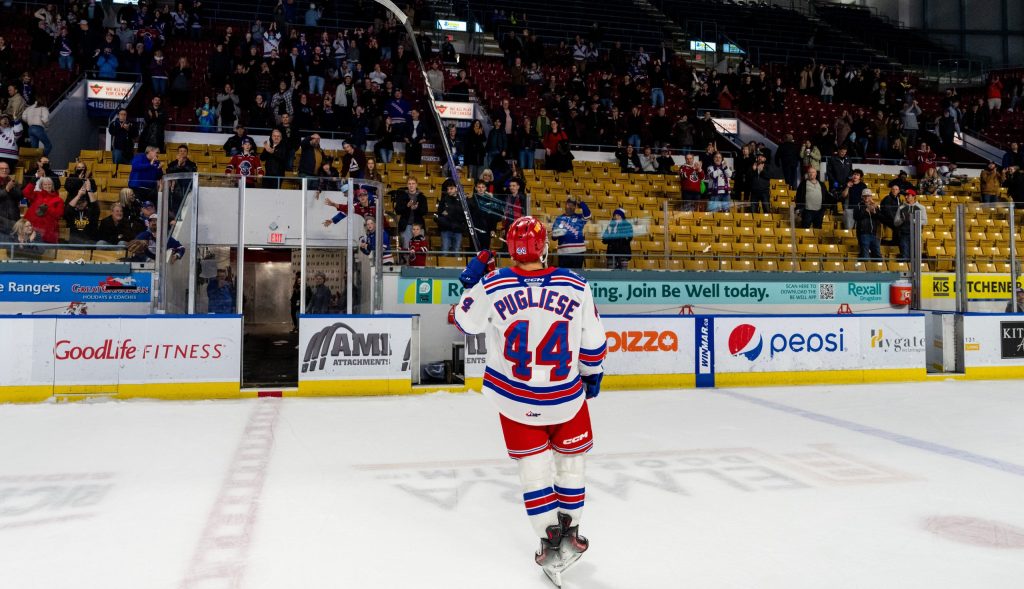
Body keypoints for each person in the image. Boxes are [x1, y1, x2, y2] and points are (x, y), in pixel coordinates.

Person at [452, 216, 606, 586]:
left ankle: (549, 538)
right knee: (571, 468)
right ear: (544, 247)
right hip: (566, 396)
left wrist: (472, 282)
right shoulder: (575, 284)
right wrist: (591, 372)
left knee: (533, 473)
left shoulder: (494, 283)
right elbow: (594, 343)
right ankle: (571, 533)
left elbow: (464, 322)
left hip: (515, 399)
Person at [551, 196, 591, 269]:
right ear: (565, 205)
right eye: (569, 204)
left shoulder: (579, 217)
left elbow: (588, 215)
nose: (570, 207)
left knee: (577, 274)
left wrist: (581, 203)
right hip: (564, 252)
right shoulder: (559, 218)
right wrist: (558, 233)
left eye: (573, 205)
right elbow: (553, 237)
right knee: (564, 275)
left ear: (575, 207)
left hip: (578, 251)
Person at [22, 176, 63, 244]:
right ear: (41, 186)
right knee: (28, 250)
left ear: (52, 186)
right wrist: (32, 182)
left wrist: (48, 209)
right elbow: (26, 192)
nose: (47, 186)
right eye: (45, 184)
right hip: (32, 228)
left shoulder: (58, 199)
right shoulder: (36, 194)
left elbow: (59, 214)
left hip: (47, 230)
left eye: (49, 184)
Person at [64, 173, 100, 244]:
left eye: (83, 202)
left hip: (89, 242)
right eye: (78, 202)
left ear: (87, 203)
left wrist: (89, 190)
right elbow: (68, 208)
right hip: (75, 242)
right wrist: (78, 195)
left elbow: (95, 206)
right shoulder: (72, 213)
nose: (80, 204)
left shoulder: (91, 212)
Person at [394, 177, 428, 251]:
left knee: (419, 249)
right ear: (407, 185)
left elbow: (425, 212)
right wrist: (407, 206)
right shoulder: (402, 196)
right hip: (406, 226)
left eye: (413, 183)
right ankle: (407, 262)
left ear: (416, 185)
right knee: (406, 248)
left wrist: (417, 208)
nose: (411, 185)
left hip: (419, 226)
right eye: (409, 184)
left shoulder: (422, 197)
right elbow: (397, 211)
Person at [436, 179, 468, 255]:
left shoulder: (463, 200)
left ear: (456, 188)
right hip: (446, 230)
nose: (449, 191)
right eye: (448, 189)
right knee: (444, 251)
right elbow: (439, 214)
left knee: (456, 252)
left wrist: (448, 214)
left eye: (451, 188)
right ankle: (443, 267)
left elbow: (463, 215)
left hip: (458, 230)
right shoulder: (444, 200)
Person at [893, 190, 927, 262]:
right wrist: (902, 219)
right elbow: (896, 222)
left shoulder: (921, 207)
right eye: (905, 195)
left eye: (908, 195)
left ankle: (915, 272)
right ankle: (905, 271)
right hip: (904, 234)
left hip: (916, 235)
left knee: (915, 255)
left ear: (914, 196)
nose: (906, 197)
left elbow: (925, 221)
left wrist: (914, 220)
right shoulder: (901, 207)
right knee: (904, 254)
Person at [166, 145, 198, 212]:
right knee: (176, 207)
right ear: (178, 153)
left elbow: (193, 172)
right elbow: (168, 172)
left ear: (187, 153)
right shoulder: (172, 164)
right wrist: (178, 165)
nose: (182, 153)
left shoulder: (192, 164)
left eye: (184, 151)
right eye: (180, 151)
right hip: (175, 189)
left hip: (187, 188)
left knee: (186, 206)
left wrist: (183, 165)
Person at [854, 189, 882, 261]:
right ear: (862, 197)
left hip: (875, 234)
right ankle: (866, 271)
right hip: (864, 233)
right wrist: (866, 210)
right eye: (865, 196)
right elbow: (856, 217)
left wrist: (875, 211)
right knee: (865, 255)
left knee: (877, 255)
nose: (867, 198)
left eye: (868, 196)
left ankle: (878, 270)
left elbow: (880, 217)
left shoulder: (875, 205)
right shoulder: (859, 205)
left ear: (871, 197)